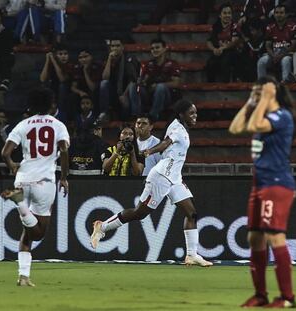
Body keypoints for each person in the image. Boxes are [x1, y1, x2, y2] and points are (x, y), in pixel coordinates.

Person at [91, 100, 213, 267]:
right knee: (140, 213)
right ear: (181, 114)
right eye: (191, 113)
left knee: (191, 213)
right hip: (162, 175)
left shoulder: (179, 127)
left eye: (195, 113)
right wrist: (150, 151)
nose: (195, 116)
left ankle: (191, 255)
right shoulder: (177, 128)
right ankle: (102, 227)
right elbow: (165, 143)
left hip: (174, 178)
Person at [229, 76, 296, 308]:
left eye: (260, 93)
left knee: (274, 235)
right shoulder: (264, 116)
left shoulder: (281, 116)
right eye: (254, 92)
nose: (257, 96)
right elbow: (235, 127)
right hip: (260, 185)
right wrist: (251, 101)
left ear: (272, 94)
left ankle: (287, 298)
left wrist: (266, 98)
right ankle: (261, 294)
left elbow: (254, 126)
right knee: (255, 236)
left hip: (277, 184)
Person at [0, 87, 70, 286]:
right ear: (51, 104)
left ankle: (23, 277)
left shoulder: (23, 125)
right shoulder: (58, 125)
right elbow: (64, 149)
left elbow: (5, 152)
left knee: (27, 232)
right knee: (38, 233)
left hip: (22, 178)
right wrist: (64, 176)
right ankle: (21, 205)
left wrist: (12, 166)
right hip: (44, 181)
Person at [131, 38, 181, 121]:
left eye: (157, 47)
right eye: (152, 48)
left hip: (167, 96)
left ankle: (153, 115)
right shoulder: (149, 64)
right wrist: (141, 82)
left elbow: (176, 83)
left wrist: (158, 86)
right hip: (150, 94)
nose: (154, 50)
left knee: (160, 87)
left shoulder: (172, 64)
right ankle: (136, 115)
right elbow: (144, 80)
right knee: (133, 86)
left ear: (164, 49)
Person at [96, 37, 139, 122]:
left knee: (132, 88)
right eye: (113, 46)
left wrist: (124, 95)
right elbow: (105, 77)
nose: (115, 48)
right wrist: (109, 59)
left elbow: (133, 80)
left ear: (122, 47)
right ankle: (105, 112)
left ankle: (135, 116)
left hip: (127, 93)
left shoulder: (129, 59)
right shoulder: (108, 59)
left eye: (117, 46)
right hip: (114, 93)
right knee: (104, 83)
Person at [257, 4, 296, 83]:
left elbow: (293, 45)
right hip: (274, 54)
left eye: (281, 13)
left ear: (286, 14)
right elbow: (268, 45)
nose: (278, 15)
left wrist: (280, 56)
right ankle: (261, 84)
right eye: (276, 13)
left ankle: (285, 83)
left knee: (285, 61)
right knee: (261, 61)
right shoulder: (270, 27)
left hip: (287, 54)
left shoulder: (293, 26)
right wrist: (273, 55)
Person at [206, 2, 240, 83]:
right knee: (210, 63)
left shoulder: (235, 26)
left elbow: (234, 42)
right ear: (220, 15)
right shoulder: (215, 26)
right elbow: (209, 41)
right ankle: (211, 85)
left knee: (225, 62)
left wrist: (223, 48)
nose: (227, 15)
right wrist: (214, 49)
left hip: (232, 52)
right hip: (219, 52)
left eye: (229, 13)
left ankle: (226, 85)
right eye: (225, 13)